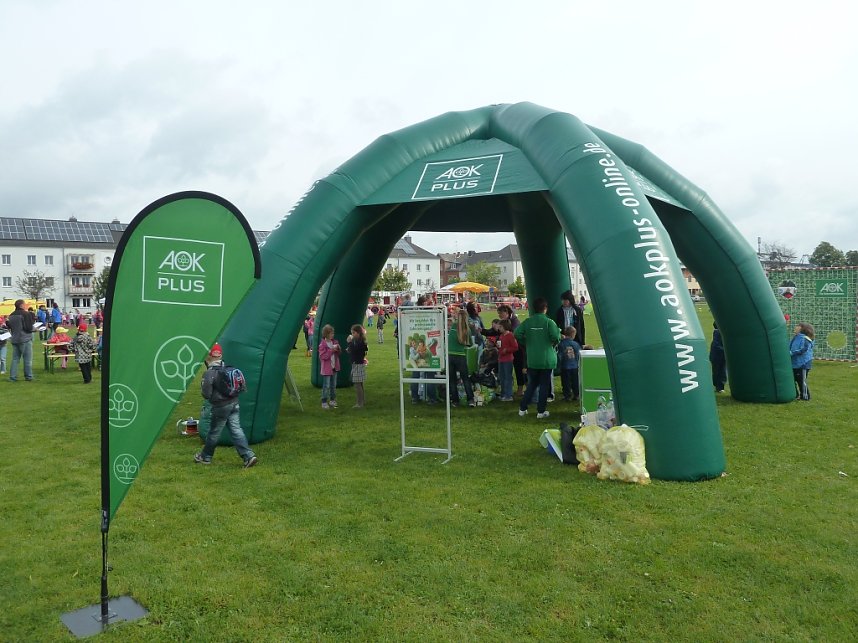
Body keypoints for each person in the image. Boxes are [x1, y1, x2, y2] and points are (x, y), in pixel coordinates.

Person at [194, 344, 258, 467]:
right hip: (234, 403)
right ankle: (248, 456)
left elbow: (206, 394)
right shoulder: (228, 368)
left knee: (214, 433)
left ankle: (205, 457)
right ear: (221, 355)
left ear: (208, 356)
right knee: (236, 430)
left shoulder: (209, 373)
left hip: (220, 407)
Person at [515, 297, 560, 419]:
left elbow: (517, 333)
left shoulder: (528, 322)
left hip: (532, 359)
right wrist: (552, 342)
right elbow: (556, 336)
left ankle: (522, 408)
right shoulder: (549, 322)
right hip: (546, 359)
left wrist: (526, 342)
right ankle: (541, 411)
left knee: (532, 384)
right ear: (545, 308)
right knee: (544, 385)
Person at [447, 309, 476, 407]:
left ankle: (455, 401)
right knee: (465, 379)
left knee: (452, 380)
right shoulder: (467, 329)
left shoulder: (453, 327)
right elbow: (470, 344)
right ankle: (470, 400)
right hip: (461, 356)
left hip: (450, 355)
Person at [498, 304, 526, 397]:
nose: (499, 316)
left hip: (518, 350)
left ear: (506, 312)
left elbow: (515, 334)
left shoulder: (515, 321)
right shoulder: (507, 321)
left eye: (500, 313)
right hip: (511, 350)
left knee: (518, 369)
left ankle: (521, 389)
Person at [6, 299, 36, 381]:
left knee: (15, 359)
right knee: (27, 359)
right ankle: (28, 376)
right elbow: (28, 328)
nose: (26, 305)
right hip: (25, 338)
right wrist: (35, 329)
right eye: (25, 304)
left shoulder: (11, 315)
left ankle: (12, 377)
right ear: (21, 305)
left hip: (15, 339)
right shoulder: (25, 314)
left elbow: (9, 326)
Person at [317, 324, 341, 409]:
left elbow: (338, 354)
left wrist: (338, 349)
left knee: (333, 385)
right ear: (326, 334)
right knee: (326, 385)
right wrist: (331, 350)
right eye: (331, 333)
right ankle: (324, 401)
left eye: (333, 333)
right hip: (327, 369)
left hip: (334, 367)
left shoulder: (335, 342)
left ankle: (332, 400)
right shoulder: (322, 345)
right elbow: (323, 356)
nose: (332, 335)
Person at [789, 322, 815, 401]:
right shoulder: (795, 338)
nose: (795, 327)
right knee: (791, 379)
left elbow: (804, 349)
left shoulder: (805, 339)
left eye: (798, 326)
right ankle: (796, 395)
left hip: (803, 364)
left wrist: (792, 353)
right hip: (794, 363)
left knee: (801, 381)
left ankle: (805, 396)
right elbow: (789, 346)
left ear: (802, 329)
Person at [496, 319, 519, 401]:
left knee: (508, 377)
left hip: (508, 359)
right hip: (501, 358)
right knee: (501, 377)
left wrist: (507, 350)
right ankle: (503, 393)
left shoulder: (510, 335)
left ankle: (509, 395)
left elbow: (515, 347)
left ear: (505, 327)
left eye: (500, 327)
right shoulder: (501, 335)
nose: (499, 328)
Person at [347, 324, 368, 408]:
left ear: (358, 333)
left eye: (354, 333)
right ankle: (362, 401)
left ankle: (360, 403)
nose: (352, 334)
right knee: (360, 383)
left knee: (358, 384)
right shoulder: (359, 341)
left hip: (358, 364)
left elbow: (355, 350)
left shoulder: (360, 342)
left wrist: (349, 343)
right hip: (358, 363)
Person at [558, 326, 582, 401]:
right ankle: (576, 395)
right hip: (574, 366)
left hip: (565, 366)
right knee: (575, 381)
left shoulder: (561, 343)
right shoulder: (575, 344)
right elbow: (578, 354)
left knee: (566, 382)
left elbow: (560, 355)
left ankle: (567, 396)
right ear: (573, 334)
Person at [709, 322, 727, 393]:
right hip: (717, 356)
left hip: (720, 355)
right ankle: (719, 387)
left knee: (721, 371)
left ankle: (719, 386)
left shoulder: (717, 332)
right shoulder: (718, 333)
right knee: (718, 371)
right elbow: (716, 345)